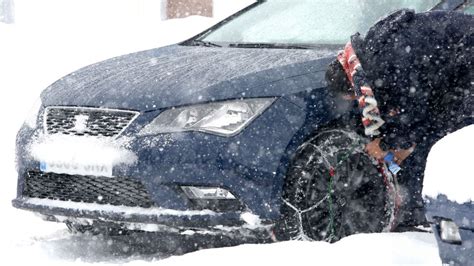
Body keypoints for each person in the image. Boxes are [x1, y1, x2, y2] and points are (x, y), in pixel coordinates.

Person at [326, 9, 473, 228]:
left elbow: (418, 115)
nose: (358, 99)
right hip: (457, 65)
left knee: (460, 139)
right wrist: (401, 143)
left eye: (353, 95)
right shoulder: (372, 53)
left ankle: (458, 214)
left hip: (467, 62)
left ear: (351, 83)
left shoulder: (386, 66)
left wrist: (388, 144)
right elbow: (424, 109)